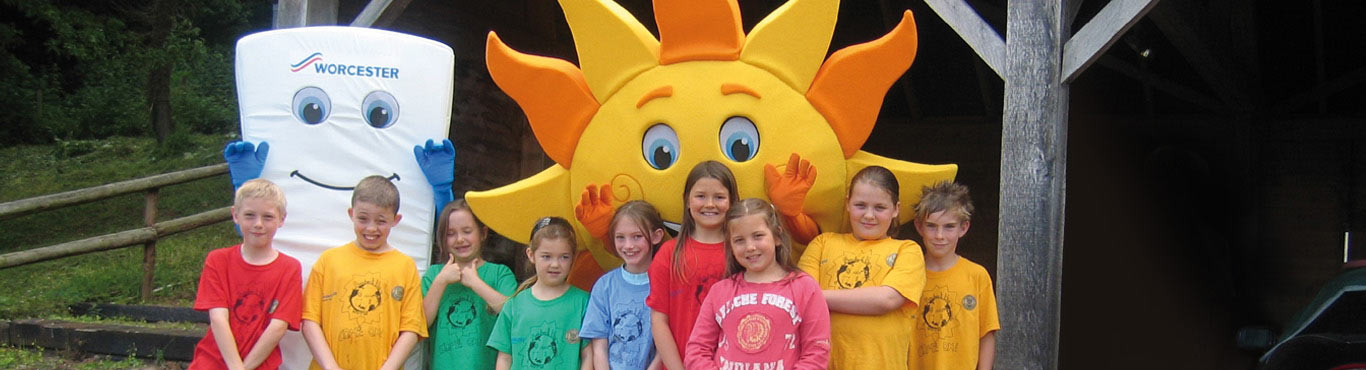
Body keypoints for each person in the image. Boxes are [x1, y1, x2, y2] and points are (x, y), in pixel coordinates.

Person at [797, 166, 926, 370]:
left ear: (896, 209)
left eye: (880, 208)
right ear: (847, 203)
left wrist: (819, 296)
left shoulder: (907, 250)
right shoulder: (822, 243)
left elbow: (887, 299)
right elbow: (802, 300)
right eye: (860, 205)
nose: (869, 215)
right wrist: (813, 297)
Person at [684, 198, 831, 370]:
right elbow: (696, 350)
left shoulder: (805, 288)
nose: (750, 247)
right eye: (739, 240)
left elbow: (817, 351)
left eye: (758, 236)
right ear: (730, 245)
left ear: (777, 236)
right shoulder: (719, 291)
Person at [300, 176, 427, 370]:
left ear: (396, 220)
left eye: (381, 220)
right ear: (351, 214)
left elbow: (411, 329)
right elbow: (309, 321)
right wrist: (330, 367)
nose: (371, 228)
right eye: (363, 218)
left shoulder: (405, 266)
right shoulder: (328, 261)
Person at [189, 179, 302, 370]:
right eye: (250, 215)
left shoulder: (290, 268)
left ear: (281, 219)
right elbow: (218, 318)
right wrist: (236, 367)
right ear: (235, 215)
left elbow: (278, 327)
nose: (258, 224)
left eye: (268, 217)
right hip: (211, 363)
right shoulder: (218, 260)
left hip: (260, 364)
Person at [647, 161, 738, 370]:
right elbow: (659, 321)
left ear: (732, 202)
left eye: (719, 197)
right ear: (687, 201)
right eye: (701, 196)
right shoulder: (669, 253)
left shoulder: (741, 251)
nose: (709, 204)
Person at [910, 182, 998, 370]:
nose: (939, 236)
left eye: (949, 227)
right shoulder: (908, 273)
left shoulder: (977, 276)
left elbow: (986, 334)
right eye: (931, 226)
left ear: (963, 228)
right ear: (919, 226)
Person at [423, 199, 518, 370]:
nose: (460, 239)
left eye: (467, 231)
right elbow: (420, 323)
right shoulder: (434, 275)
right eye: (450, 233)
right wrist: (441, 281)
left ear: (483, 233)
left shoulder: (499, 273)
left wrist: (476, 283)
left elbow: (514, 314)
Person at [489, 217, 593, 370]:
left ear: (573, 257)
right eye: (546, 256)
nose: (555, 264)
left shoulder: (584, 302)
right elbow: (504, 358)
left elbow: (588, 355)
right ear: (531, 255)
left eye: (564, 257)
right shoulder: (514, 305)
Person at [581, 201, 669, 370]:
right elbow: (599, 346)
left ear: (656, 236)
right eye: (620, 237)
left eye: (637, 236)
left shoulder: (668, 283)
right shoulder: (605, 286)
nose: (628, 245)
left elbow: (667, 343)